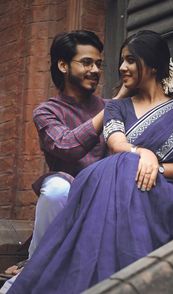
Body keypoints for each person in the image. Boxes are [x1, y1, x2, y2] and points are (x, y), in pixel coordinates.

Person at [7, 30, 173, 294]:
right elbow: (114, 144)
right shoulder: (113, 107)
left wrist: (156, 168)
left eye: (129, 60)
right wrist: (143, 153)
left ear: (152, 65)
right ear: (63, 65)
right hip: (109, 188)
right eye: (89, 63)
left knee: (123, 167)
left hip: (164, 191)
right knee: (119, 165)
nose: (120, 68)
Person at [0, 29, 127, 292]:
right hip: (67, 198)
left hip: (103, 197)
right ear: (63, 65)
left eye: (99, 64)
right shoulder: (46, 111)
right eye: (86, 62)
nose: (95, 70)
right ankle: (36, 266)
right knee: (57, 188)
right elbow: (66, 146)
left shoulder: (108, 105)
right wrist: (111, 108)